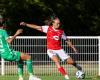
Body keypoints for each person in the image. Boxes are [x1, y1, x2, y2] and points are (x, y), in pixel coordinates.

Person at [0, 15, 41, 80]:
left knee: (20, 60)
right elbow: (9, 41)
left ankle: (21, 78)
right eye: (1, 19)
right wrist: (17, 33)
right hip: (8, 53)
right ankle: (31, 76)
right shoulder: (3, 31)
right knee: (28, 57)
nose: (2, 20)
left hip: (3, 54)